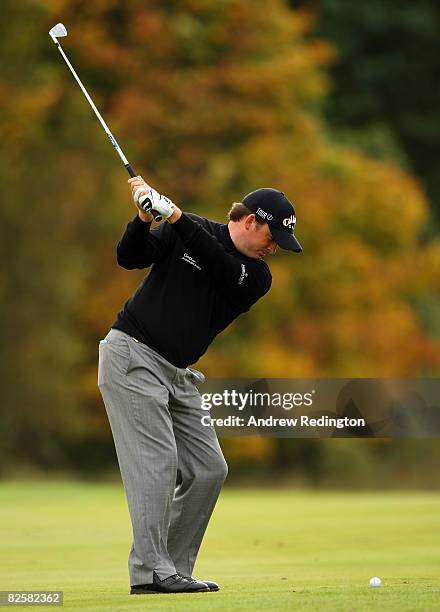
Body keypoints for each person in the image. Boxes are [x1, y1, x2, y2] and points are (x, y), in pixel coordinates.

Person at [97, 177, 302, 595]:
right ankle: (153, 571)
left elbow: (219, 266)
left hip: (177, 375)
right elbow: (129, 257)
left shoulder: (256, 276)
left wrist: (174, 216)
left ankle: (169, 568)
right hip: (132, 356)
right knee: (157, 464)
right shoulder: (189, 229)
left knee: (209, 468)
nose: (273, 247)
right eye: (272, 235)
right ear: (247, 220)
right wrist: (142, 218)